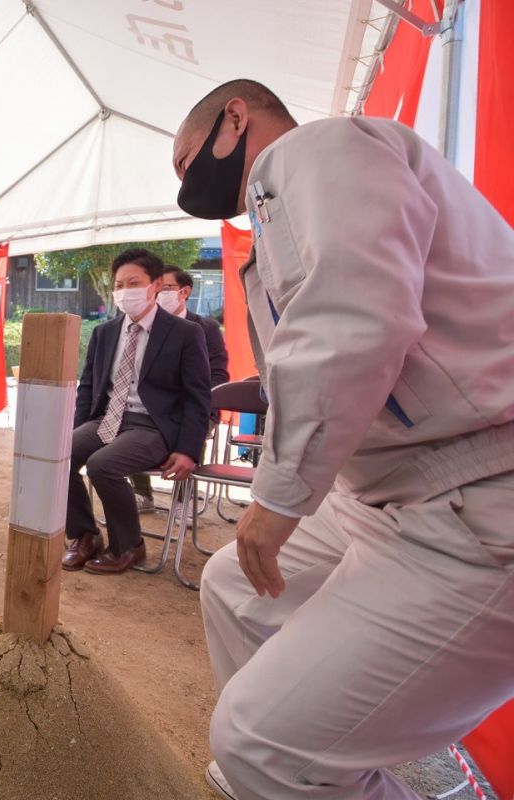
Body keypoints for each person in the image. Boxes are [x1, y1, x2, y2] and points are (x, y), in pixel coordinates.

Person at [172, 79, 514, 800]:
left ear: (237, 118)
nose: (186, 187)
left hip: (480, 486)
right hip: (400, 488)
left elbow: (351, 317)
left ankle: (283, 764)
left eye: (187, 163)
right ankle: (300, 769)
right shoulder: (287, 201)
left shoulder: (314, 150)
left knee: (258, 741)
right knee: (237, 583)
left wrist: (278, 493)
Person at [63, 248, 211, 575]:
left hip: (154, 427)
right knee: (60, 456)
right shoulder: (104, 333)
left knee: (103, 465)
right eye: (120, 283)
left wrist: (188, 450)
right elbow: (88, 387)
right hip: (108, 420)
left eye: (134, 282)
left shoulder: (186, 333)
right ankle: (85, 535)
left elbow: (198, 397)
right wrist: (78, 430)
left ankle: (129, 545)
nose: (125, 290)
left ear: (156, 284)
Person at [130, 264, 229, 510]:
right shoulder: (143, 326)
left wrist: (195, 404)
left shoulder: (205, 328)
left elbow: (218, 375)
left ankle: (183, 500)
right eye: (155, 288)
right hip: (152, 407)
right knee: (126, 425)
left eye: (166, 288)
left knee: (191, 427)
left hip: (194, 407)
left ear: (184, 292)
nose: (158, 293)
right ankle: (142, 493)